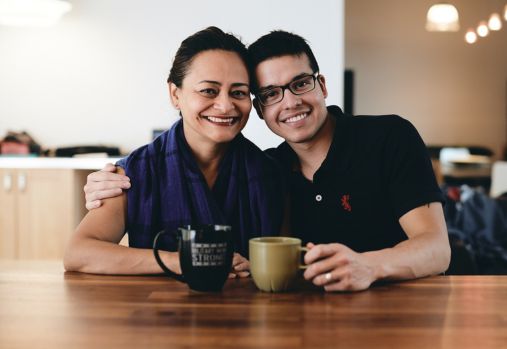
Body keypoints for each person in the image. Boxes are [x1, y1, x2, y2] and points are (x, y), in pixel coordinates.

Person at [83, 30, 451, 291]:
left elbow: (436, 249)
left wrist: (369, 265)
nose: (290, 102)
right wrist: (181, 258)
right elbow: (82, 250)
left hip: (404, 308)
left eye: (301, 84)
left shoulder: (386, 138)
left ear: (321, 86)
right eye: (271, 93)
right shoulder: (274, 168)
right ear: (261, 109)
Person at [63, 27, 284, 277]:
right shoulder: (135, 171)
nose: (225, 105)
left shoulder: (270, 173)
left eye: (238, 93)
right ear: (175, 94)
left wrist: (258, 268)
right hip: (159, 310)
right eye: (209, 91)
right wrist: (183, 260)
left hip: (248, 311)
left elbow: (287, 258)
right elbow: (79, 252)